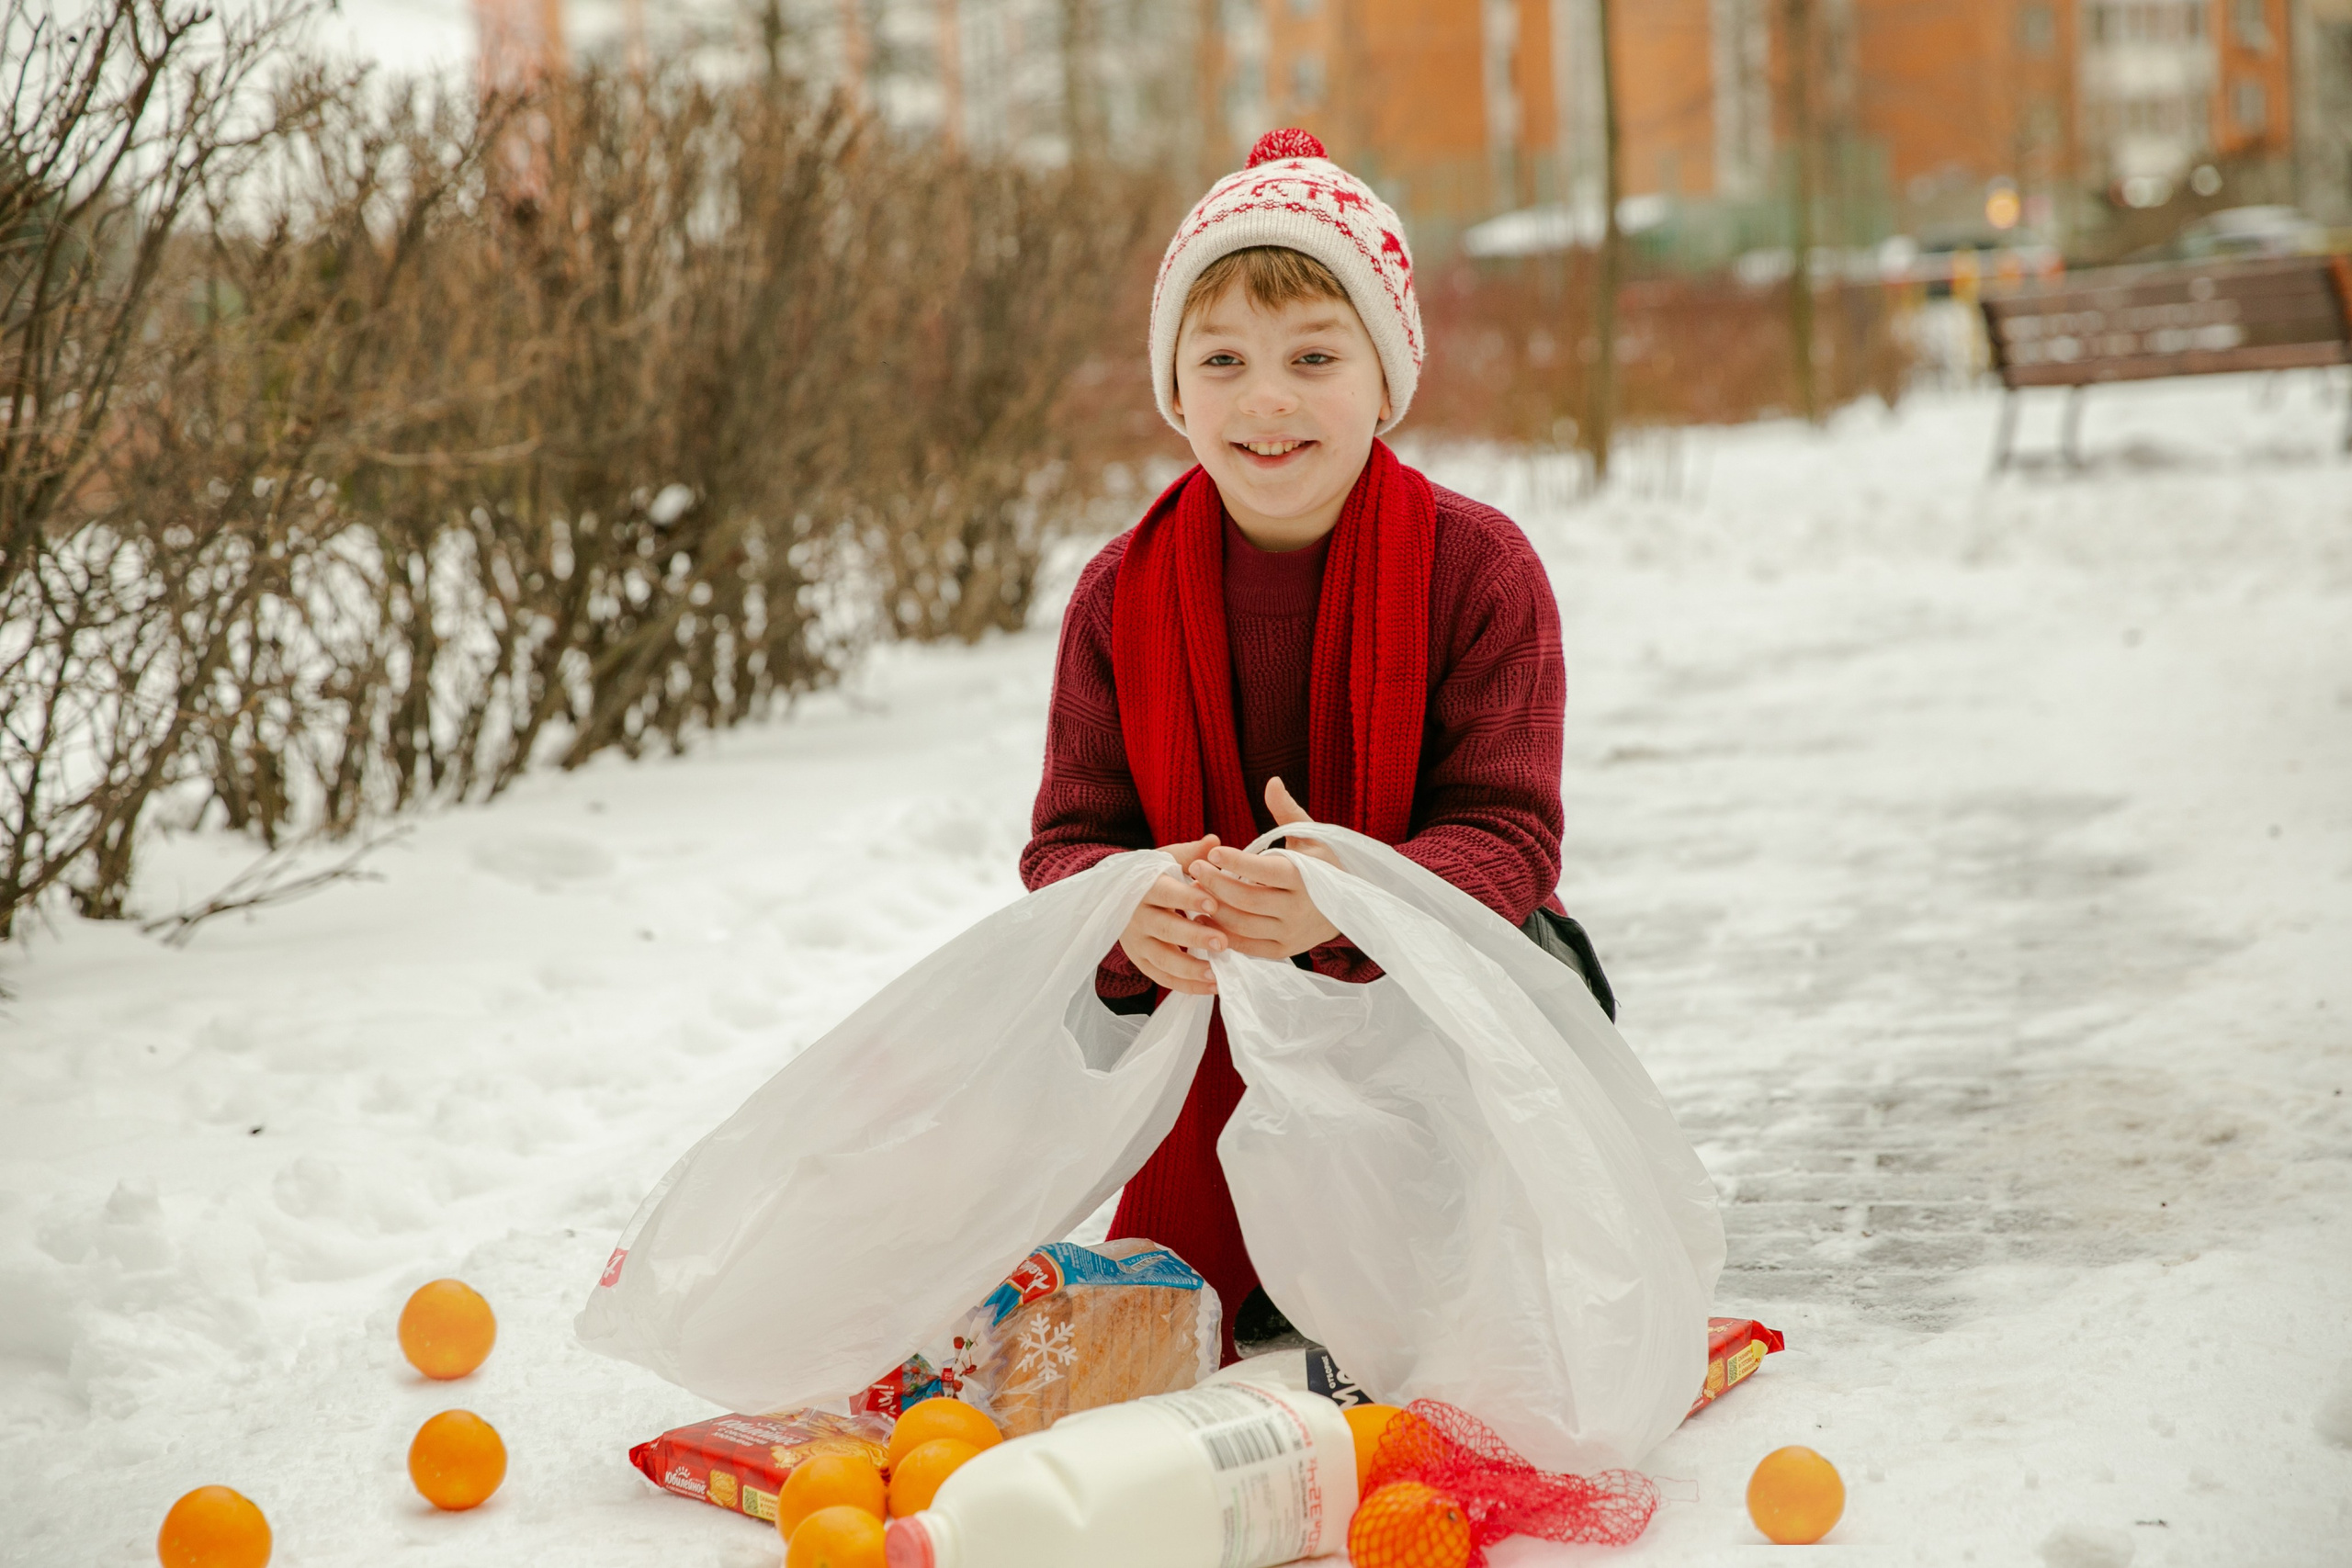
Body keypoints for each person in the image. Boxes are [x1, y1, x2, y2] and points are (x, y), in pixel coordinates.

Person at [1021, 128, 1606, 1363]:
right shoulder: (1118, 597)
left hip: (1426, 1015)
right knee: (1049, 1009)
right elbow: (1069, 841)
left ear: (1385, 381)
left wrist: (1348, 898)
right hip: (1210, 1016)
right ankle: (1244, 1238)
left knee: (1465, 1294)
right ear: (1177, 392)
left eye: (1315, 356)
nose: (1267, 398)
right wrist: (1129, 910)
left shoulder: (1476, 570)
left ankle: (1432, 1221)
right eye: (1222, 359)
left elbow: (1511, 834)